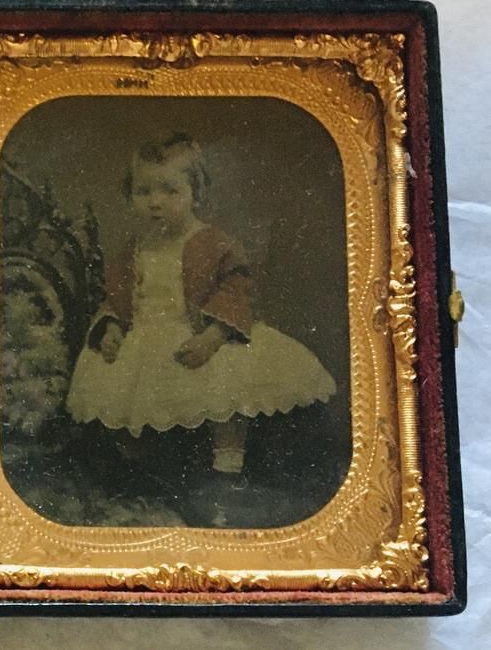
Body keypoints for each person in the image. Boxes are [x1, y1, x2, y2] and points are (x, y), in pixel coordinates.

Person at [65, 132, 336, 524]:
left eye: (170, 191)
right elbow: (119, 298)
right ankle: (142, 469)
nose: (155, 202)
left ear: (195, 193)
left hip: (202, 335)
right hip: (147, 337)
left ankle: (228, 466)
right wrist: (111, 328)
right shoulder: (136, 249)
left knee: (226, 384)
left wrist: (212, 336)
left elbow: (235, 291)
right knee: (125, 394)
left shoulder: (212, 243)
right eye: (143, 191)